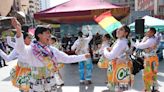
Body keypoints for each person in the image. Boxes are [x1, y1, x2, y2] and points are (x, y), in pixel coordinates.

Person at [12, 18, 91, 92]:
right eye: (47, 33)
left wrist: (83, 56)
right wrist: (19, 31)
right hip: (37, 85)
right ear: (39, 35)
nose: (50, 36)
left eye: (50, 33)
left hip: (51, 83)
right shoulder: (30, 49)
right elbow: (20, 48)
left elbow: (66, 58)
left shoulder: (51, 50)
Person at [103, 25, 134, 91]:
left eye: (121, 29)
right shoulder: (122, 41)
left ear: (126, 33)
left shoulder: (121, 42)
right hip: (121, 66)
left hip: (118, 67)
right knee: (119, 88)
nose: (118, 31)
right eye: (118, 29)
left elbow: (111, 56)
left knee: (116, 88)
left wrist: (105, 49)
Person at [134, 27, 159, 92]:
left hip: (150, 59)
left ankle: (147, 89)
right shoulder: (153, 38)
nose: (146, 32)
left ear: (152, 33)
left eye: (148, 31)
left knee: (147, 74)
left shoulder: (151, 40)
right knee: (153, 74)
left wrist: (136, 42)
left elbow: (140, 46)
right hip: (153, 58)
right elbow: (144, 47)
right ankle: (154, 88)